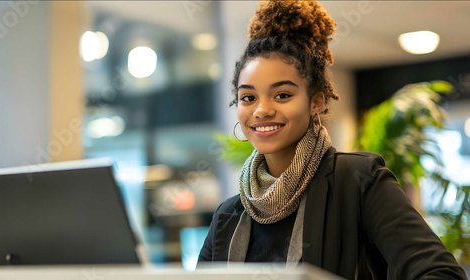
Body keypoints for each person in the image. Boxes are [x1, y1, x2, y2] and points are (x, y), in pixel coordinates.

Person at [198, 1, 467, 279]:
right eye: (248, 97)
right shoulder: (228, 215)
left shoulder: (359, 181)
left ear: (316, 102)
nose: (261, 110)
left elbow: (442, 274)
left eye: (282, 95)